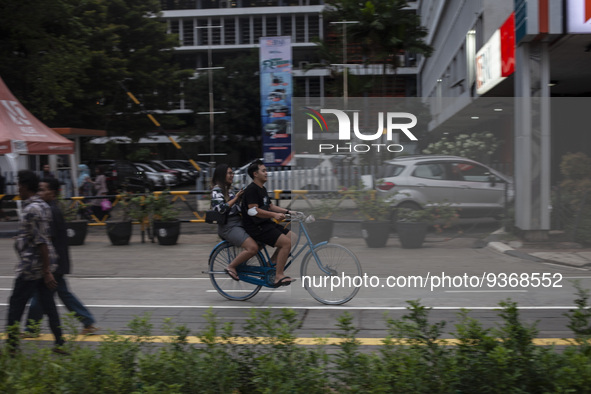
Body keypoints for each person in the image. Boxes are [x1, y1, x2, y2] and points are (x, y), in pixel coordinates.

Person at [24, 178, 99, 336]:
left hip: (53, 263)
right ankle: (88, 322)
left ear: (52, 192)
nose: (39, 193)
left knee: (41, 294)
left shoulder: (50, 211)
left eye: (43, 190)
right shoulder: (51, 209)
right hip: (57, 261)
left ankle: (31, 328)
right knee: (62, 294)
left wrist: (46, 266)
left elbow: (46, 240)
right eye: (39, 190)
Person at [6, 170, 66, 354]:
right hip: (40, 265)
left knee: (16, 304)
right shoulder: (43, 205)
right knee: (48, 304)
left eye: (19, 186)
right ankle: (60, 342)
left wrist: (46, 271)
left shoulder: (32, 209)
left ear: (24, 187)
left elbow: (41, 241)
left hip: (32, 267)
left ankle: (11, 346)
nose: (18, 189)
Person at [241, 160, 294, 286]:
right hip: (256, 226)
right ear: (255, 174)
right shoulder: (251, 190)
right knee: (286, 243)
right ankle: (278, 276)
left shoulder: (262, 189)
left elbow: (269, 206)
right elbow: (254, 210)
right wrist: (274, 215)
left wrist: (289, 211)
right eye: (263, 171)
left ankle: (272, 263)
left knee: (293, 236)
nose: (267, 173)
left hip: (265, 224)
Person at [211, 164, 258, 281]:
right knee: (252, 248)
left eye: (232, 173)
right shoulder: (217, 190)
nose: (232, 175)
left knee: (263, 236)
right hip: (228, 227)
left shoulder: (230, 190)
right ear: (222, 175)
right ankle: (231, 266)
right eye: (229, 173)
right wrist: (236, 198)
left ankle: (241, 262)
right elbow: (221, 209)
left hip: (239, 222)